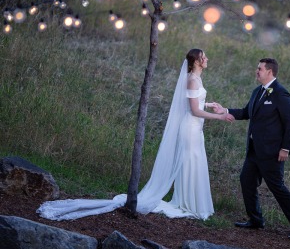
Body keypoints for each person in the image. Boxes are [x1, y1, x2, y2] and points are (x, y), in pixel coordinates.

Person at [37, 48, 233, 221]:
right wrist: (219, 118)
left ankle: (193, 202)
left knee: (194, 161)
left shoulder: (197, 79)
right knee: (191, 161)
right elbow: (193, 111)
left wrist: (210, 104)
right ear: (197, 61)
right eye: (204, 57)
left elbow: (195, 104)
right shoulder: (191, 80)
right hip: (190, 127)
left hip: (195, 128)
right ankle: (190, 204)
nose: (207, 59)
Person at [213, 58, 290, 240]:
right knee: (246, 181)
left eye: (259, 69)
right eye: (257, 68)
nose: (256, 71)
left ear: (270, 72)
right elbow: (246, 112)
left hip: (272, 152)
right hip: (254, 151)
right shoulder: (257, 91)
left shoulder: (281, 94)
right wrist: (225, 111)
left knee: (277, 188)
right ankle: (256, 220)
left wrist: (285, 148)